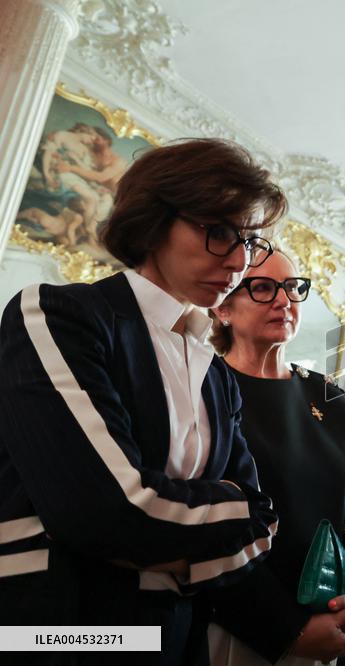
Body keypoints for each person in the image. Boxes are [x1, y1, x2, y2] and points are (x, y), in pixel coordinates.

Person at [0, 138, 287, 665]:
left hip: (168, 639)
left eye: (251, 241)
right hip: (55, 629)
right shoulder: (58, 313)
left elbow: (265, 520)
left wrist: (169, 545)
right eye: (221, 232)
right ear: (155, 221)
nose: (242, 260)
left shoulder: (216, 375)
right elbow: (100, 508)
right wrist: (220, 518)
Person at [204, 249, 345, 665]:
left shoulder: (328, 395)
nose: (285, 301)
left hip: (332, 619)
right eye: (263, 288)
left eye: (293, 288)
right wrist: (285, 630)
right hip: (242, 625)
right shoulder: (203, 386)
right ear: (224, 306)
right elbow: (206, 525)